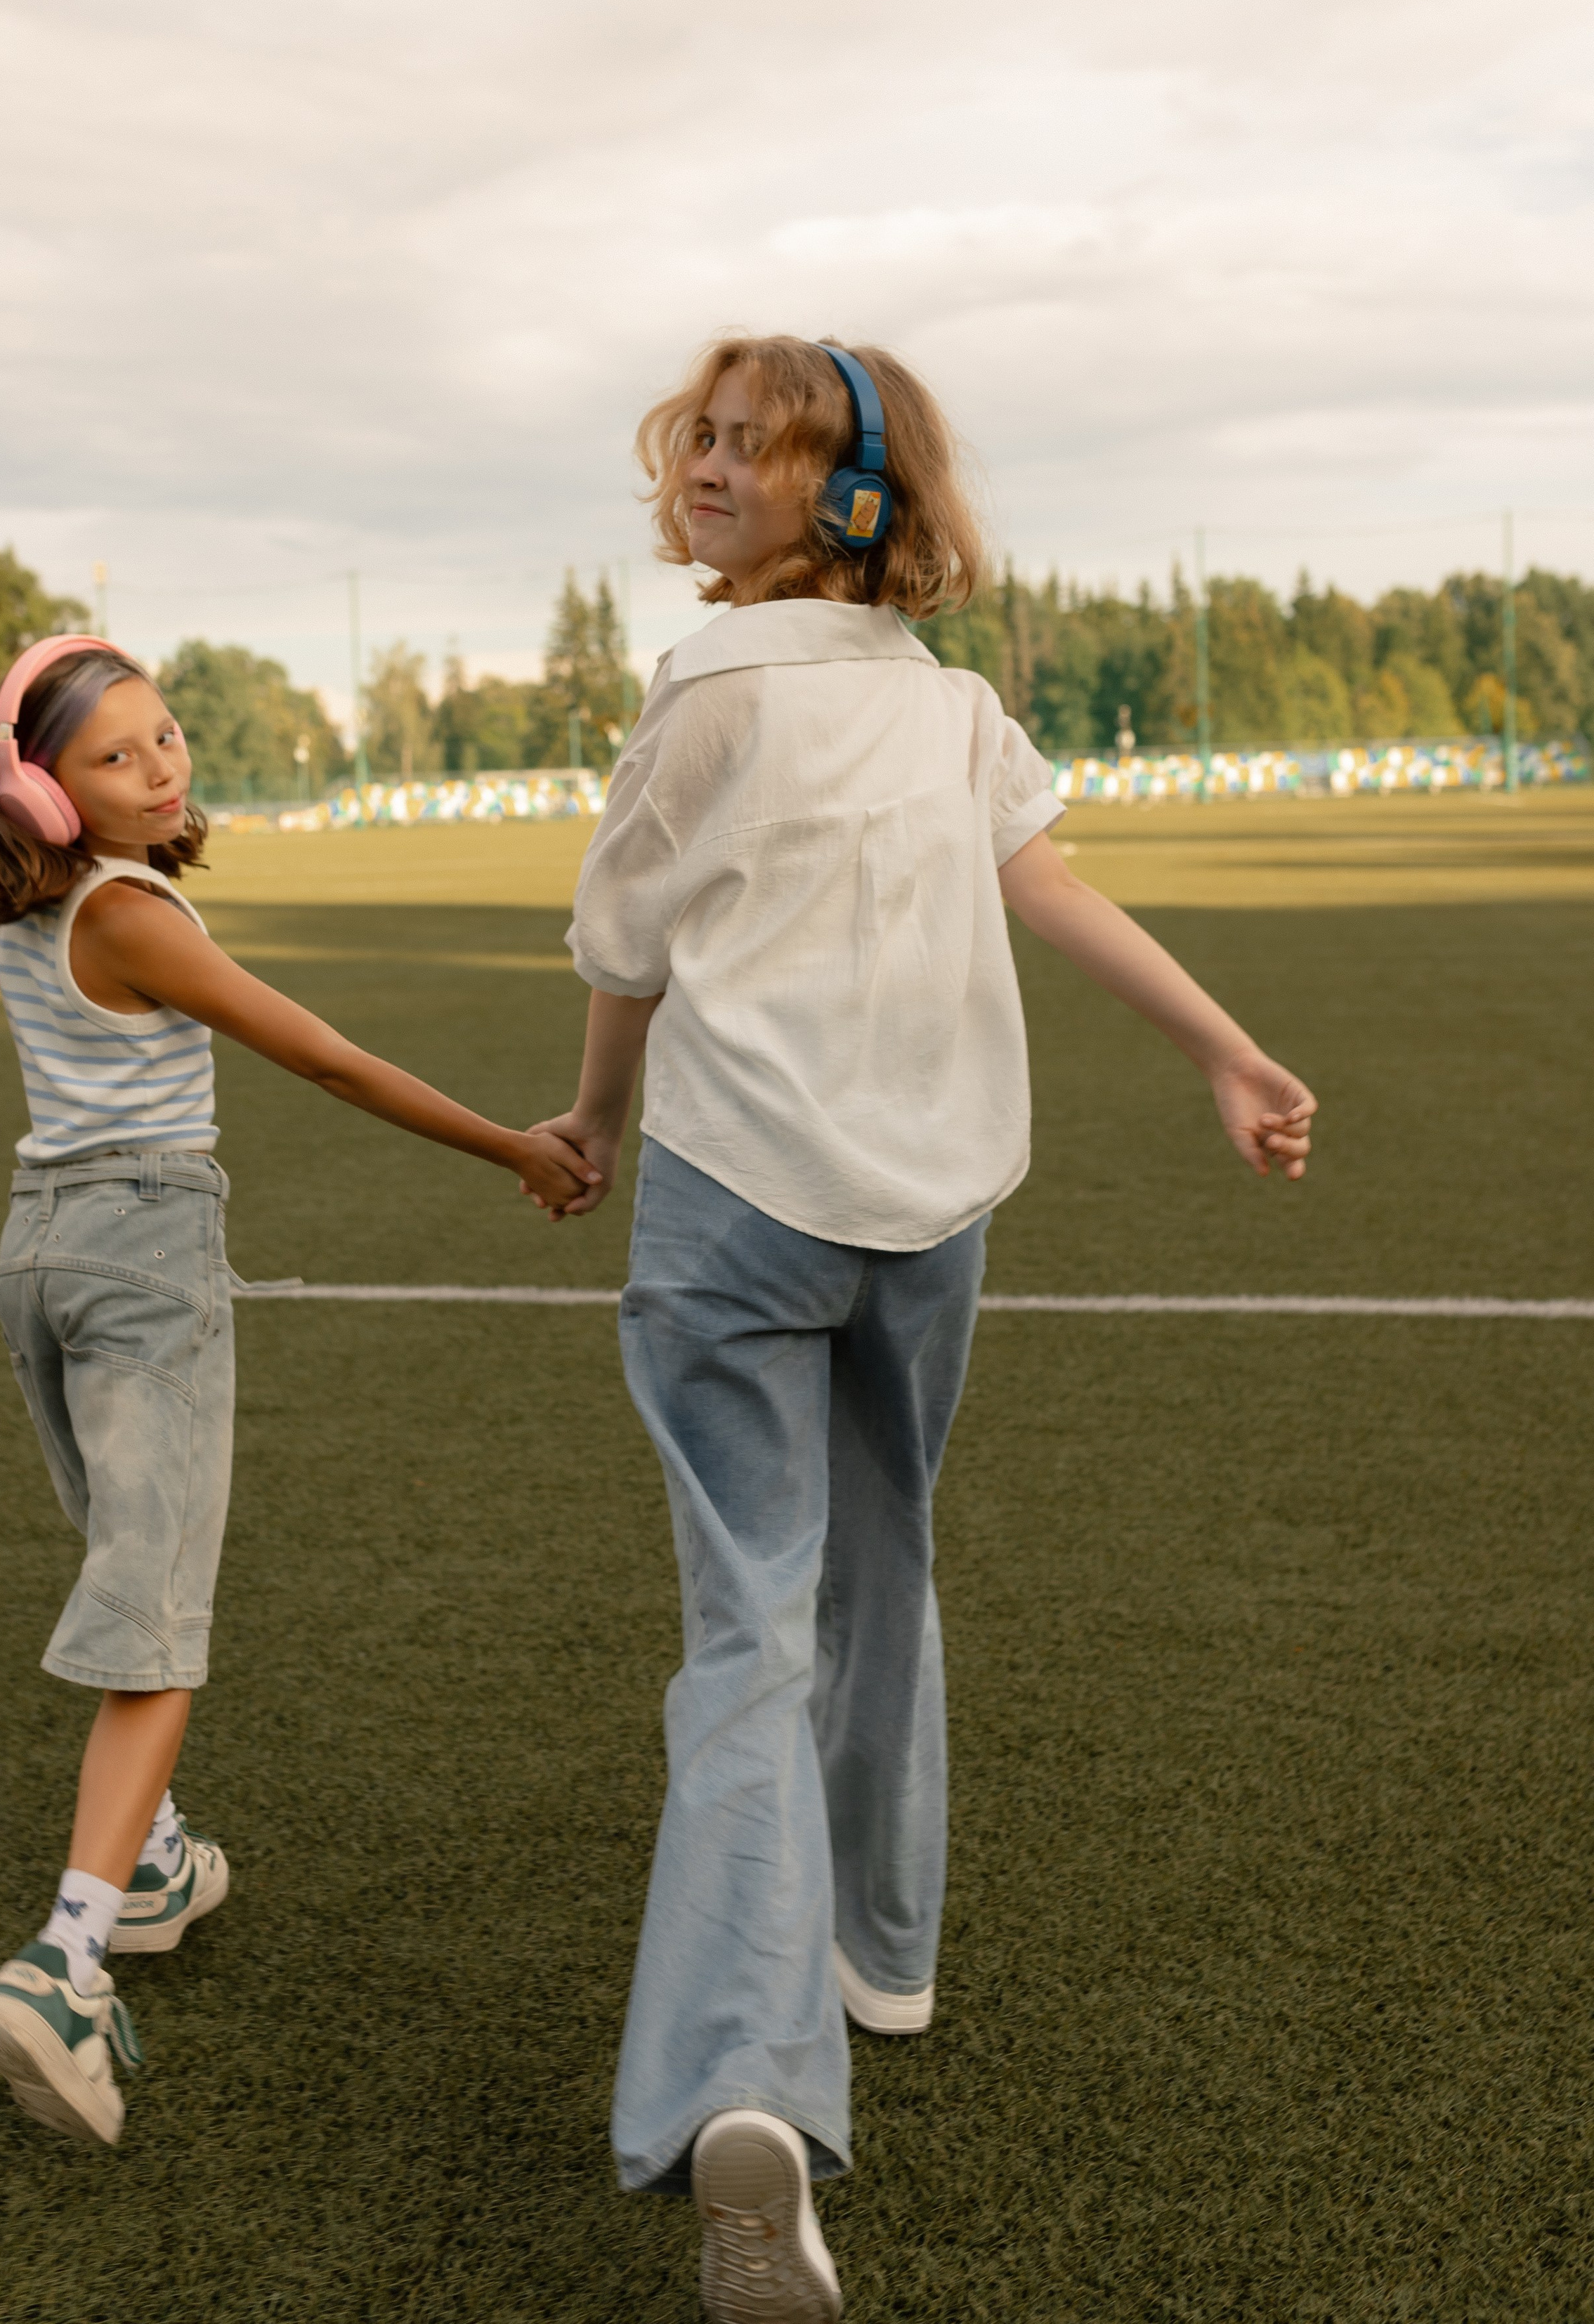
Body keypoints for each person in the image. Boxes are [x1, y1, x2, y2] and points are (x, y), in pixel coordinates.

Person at [540, 337, 1317, 2323]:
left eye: (758, 448)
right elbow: (1055, 892)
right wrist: (1226, 1052)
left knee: (747, 1624)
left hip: (737, 1205)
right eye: (699, 439)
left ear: (854, 500)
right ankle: (883, 1957)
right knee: (886, 1564)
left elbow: (625, 947)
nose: (710, 468)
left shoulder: (704, 691)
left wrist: (599, 1123)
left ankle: (747, 2078)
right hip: (936, 1210)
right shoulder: (957, 708)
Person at [0, 636, 596, 2147]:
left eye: (164, 737)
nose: (161, 766)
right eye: (117, 757)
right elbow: (325, 1058)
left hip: (34, 1262)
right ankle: (67, 1959)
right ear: (42, 793)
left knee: (121, 1559)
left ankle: (152, 1863)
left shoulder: (17, 911)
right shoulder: (134, 914)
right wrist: (508, 1144)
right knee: (155, 1624)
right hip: (143, 1261)